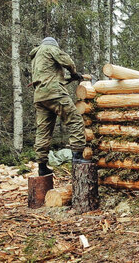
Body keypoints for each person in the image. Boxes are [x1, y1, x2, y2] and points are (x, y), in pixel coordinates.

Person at [29, 37, 89, 176]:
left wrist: (71, 78)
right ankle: (77, 157)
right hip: (54, 94)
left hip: (40, 97)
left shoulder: (36, 57)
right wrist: (74, 73)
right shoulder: (49, 48)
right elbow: (67, 61)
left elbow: (51, 79)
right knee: (75, 120)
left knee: (43, 131)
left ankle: (42, 167)